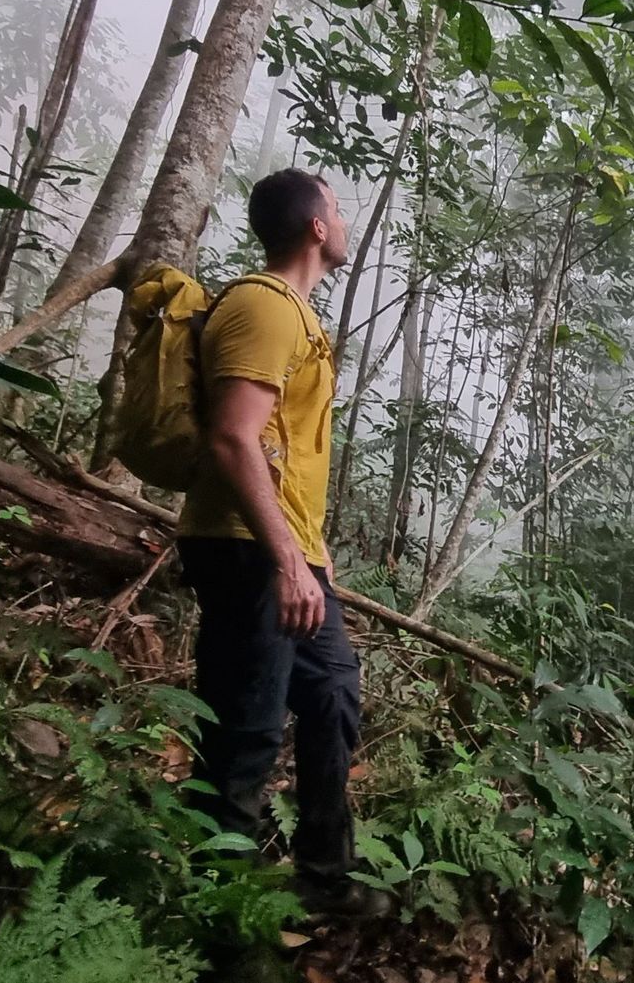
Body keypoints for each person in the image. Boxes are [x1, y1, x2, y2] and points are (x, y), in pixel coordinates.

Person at [177, 167, 382, 917]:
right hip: (247, 547)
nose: (345, 217)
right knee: (249, 725)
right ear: (316, 227)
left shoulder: (297, 315)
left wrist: (310, 557)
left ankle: (324, 878)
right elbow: (234, 439)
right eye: (338, 205)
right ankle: (220, 917)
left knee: (331, 694)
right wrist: (287, 560)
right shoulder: (265, 308)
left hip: (290, 551)